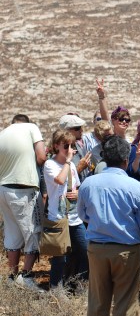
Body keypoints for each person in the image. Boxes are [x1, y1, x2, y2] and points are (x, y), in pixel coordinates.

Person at [77, 135, 140, 316]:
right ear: (126, 160)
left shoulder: (88, 184)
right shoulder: (135, 187)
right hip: (127, 250)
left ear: (105, 157)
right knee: (126, 305)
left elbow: (82, 215)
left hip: (97, 249)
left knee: (97, 304)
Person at [0, 119, 46, 290]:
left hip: (3, 190)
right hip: (24, 189)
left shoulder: (2, 134)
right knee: (34, 232)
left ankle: (12, 277)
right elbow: (41, 157)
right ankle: (26, 276)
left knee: (13, 233)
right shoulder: (31, 127)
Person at [43, 130, 88, 290]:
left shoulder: (72, 166)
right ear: (56, 146)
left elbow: (76, 185)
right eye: (66, 146)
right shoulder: (50, 164)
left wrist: (78, 192)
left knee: (86, 251)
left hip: (75, 218)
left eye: (72, 145)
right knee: (59, 258)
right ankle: (56, 288)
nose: (70, 149)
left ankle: (81, 285)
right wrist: (68, 162)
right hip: (58, 218)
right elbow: (59, 180)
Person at [59, 114, 93, 182]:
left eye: (81, 127)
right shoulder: (60, 151)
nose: (81, 130)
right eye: (77, 128)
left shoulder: (78, 146)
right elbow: (62, 180)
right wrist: (79, 168)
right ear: (67, 131)